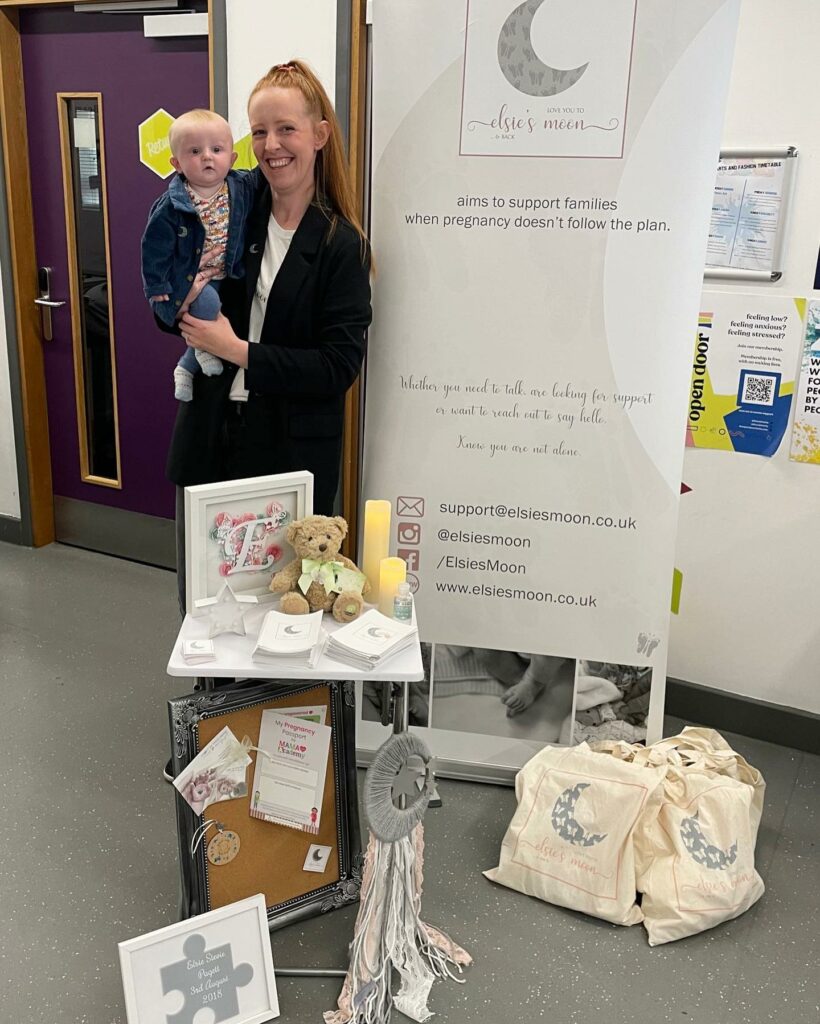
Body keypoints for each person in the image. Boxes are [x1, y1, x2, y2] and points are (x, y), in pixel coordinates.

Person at [161, 61, 372, 617]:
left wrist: (237, 351)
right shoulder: (234, 212)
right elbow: (169, 290)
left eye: (286, 129)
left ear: (319, 135)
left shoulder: (341, 245)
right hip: (210, 438)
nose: (270, 146)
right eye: (258, 132)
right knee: (204, 611)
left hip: (287, 455)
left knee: (279, 611)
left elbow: (336, 368)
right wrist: (174, 299)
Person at [141, 109, 254, 401]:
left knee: (230, 312)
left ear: (232, 158)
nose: (207, 157)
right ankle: (202, 352)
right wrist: (157, 285)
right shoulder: (172, 205)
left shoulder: (240, 188)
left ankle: (185, 366)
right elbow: (153, 247)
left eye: (216, 150)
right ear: (176, 164)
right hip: (194, 277)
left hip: (229, 273)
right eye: (194, 151)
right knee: (209, 304)